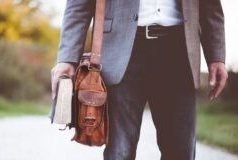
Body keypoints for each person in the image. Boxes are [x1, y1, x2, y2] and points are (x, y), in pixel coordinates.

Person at [51, 0, 228, 159]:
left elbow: (210, 5)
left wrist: (216, 56)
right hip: (121, 51)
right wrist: (67, 58)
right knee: (120, 151)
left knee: (181, 151)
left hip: (180, 50)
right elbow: (78, 5)